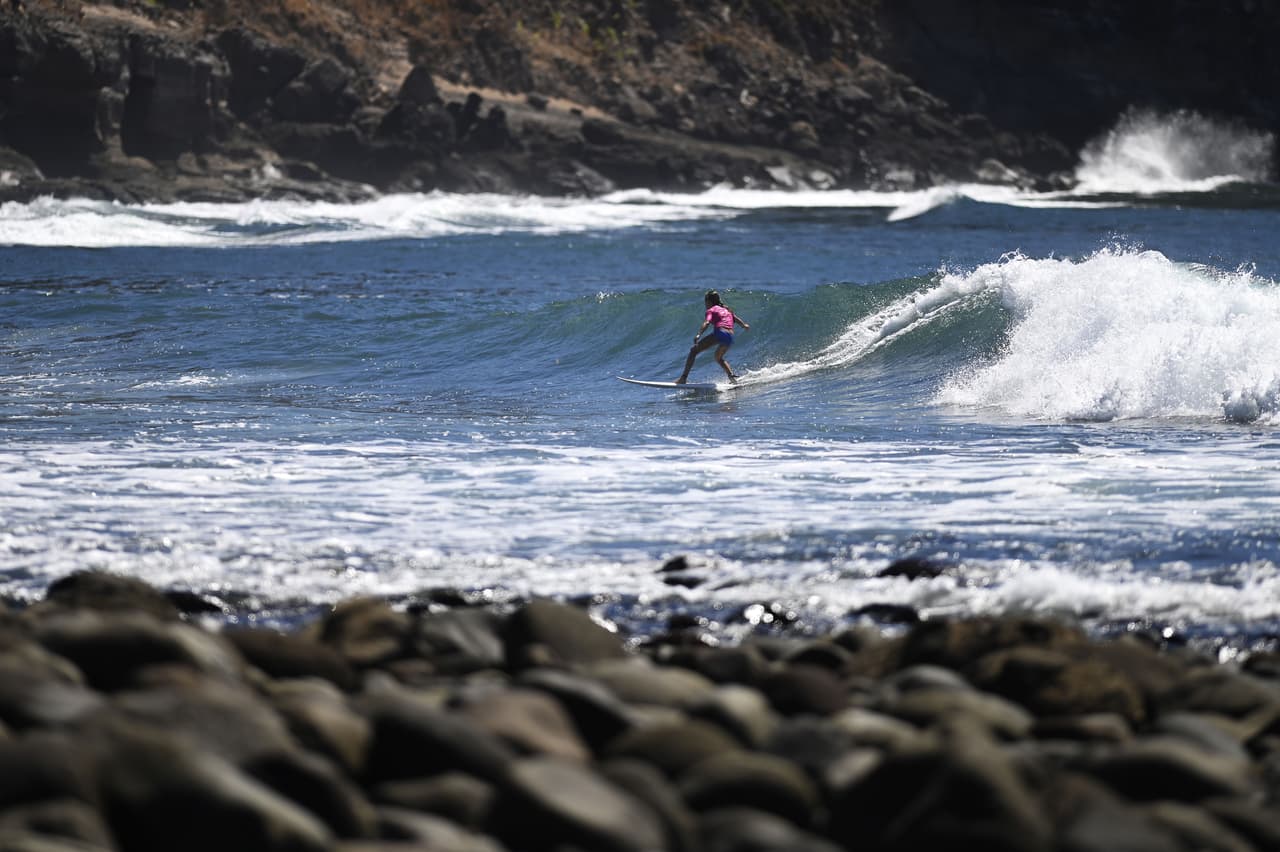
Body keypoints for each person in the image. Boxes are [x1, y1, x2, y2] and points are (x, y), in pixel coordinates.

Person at [676, 290, 750, 384]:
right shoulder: (726, 310)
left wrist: (699, 334)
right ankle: (731, 376)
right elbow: (735, 318)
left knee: (693, 350)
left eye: (705, 302)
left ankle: (683, 378)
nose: (705, 304)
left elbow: (706, 322)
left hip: (721, 332)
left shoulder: (711, 310)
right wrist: (744, 325)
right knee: (718, 357)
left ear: (709, 302)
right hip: (730, 335)